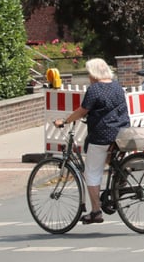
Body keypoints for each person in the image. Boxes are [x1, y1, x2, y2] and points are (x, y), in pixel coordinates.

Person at [53, 58, 130, 224]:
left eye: (89, 73)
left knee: (92, 173)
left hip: (103, 134)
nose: (88, 77)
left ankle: (96, 212)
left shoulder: (95, 89)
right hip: (122, 132)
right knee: (109, 158)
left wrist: (65, 121)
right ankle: (121, 173)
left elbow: (82, 111)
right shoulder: (117, 86)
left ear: (94, 74)